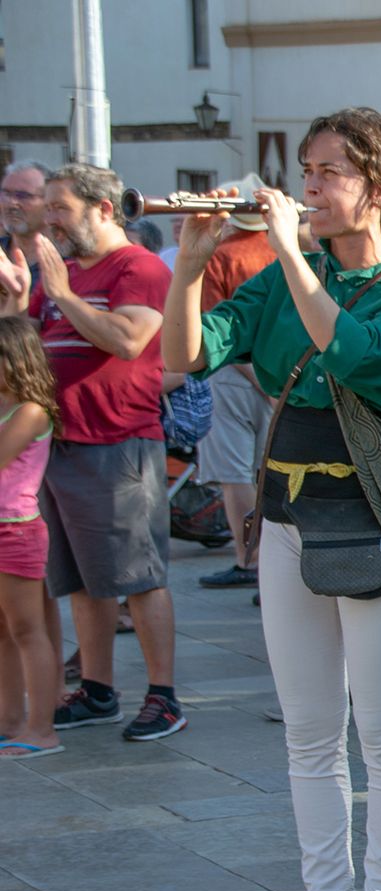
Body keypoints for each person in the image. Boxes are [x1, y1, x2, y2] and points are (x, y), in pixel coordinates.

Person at [162, 106, 381, 891]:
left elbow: (353, 354)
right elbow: (184, 356)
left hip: (374, 521)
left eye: (330, 172)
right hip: (288, 522)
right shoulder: (283, 276)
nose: (310, 186)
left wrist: (289, 249)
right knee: (309, 730)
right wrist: (187, 266)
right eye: (306, 169)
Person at [0, 163, 182, 742]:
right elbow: (20, 354)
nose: (47, 218)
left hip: (119, 440)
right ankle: (98, 689)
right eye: (46, 207)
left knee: (138, 575)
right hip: (60, 443)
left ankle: (164, 695)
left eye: (60, 207)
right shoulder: (59, 271)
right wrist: (21, 300)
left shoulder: (138, 267)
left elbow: (128, 339)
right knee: (79, 579)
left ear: (103, 209)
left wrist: (59, 295)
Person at [195, 175, 278, 591]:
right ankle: (270, 561)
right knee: (268, 468)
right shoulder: (286, 250)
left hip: (236, 374)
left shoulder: (220, 254)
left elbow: (214, 331)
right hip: (281, 373)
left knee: (235, 473)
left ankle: (249, 559)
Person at [0, 316, 62, 759]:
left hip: (15, 530)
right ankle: (9, 721)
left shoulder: (30, 411)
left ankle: (42, 729)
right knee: (3, 633)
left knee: (27, 630)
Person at [1, 161, 51, 286]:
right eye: (6, 193)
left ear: (49, 203)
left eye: (23, 196)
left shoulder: (70, 262)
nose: (11, 203)